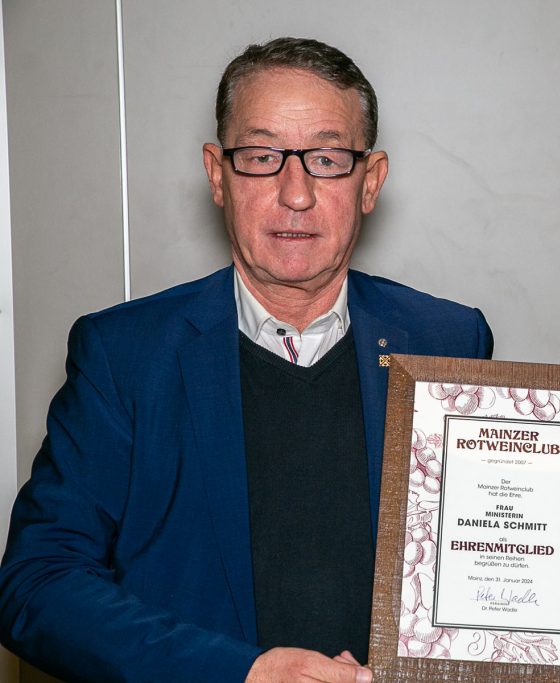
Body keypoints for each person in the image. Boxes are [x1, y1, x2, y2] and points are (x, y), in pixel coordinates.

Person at [0, 37, 492, 683]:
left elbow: (491, 565)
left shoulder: (449, 339)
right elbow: (38, 585)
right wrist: (242, 671)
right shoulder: (125, 357)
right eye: (261, 156)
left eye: (326, 157)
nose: (295, 193)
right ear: (217, 175)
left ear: (369, 182)